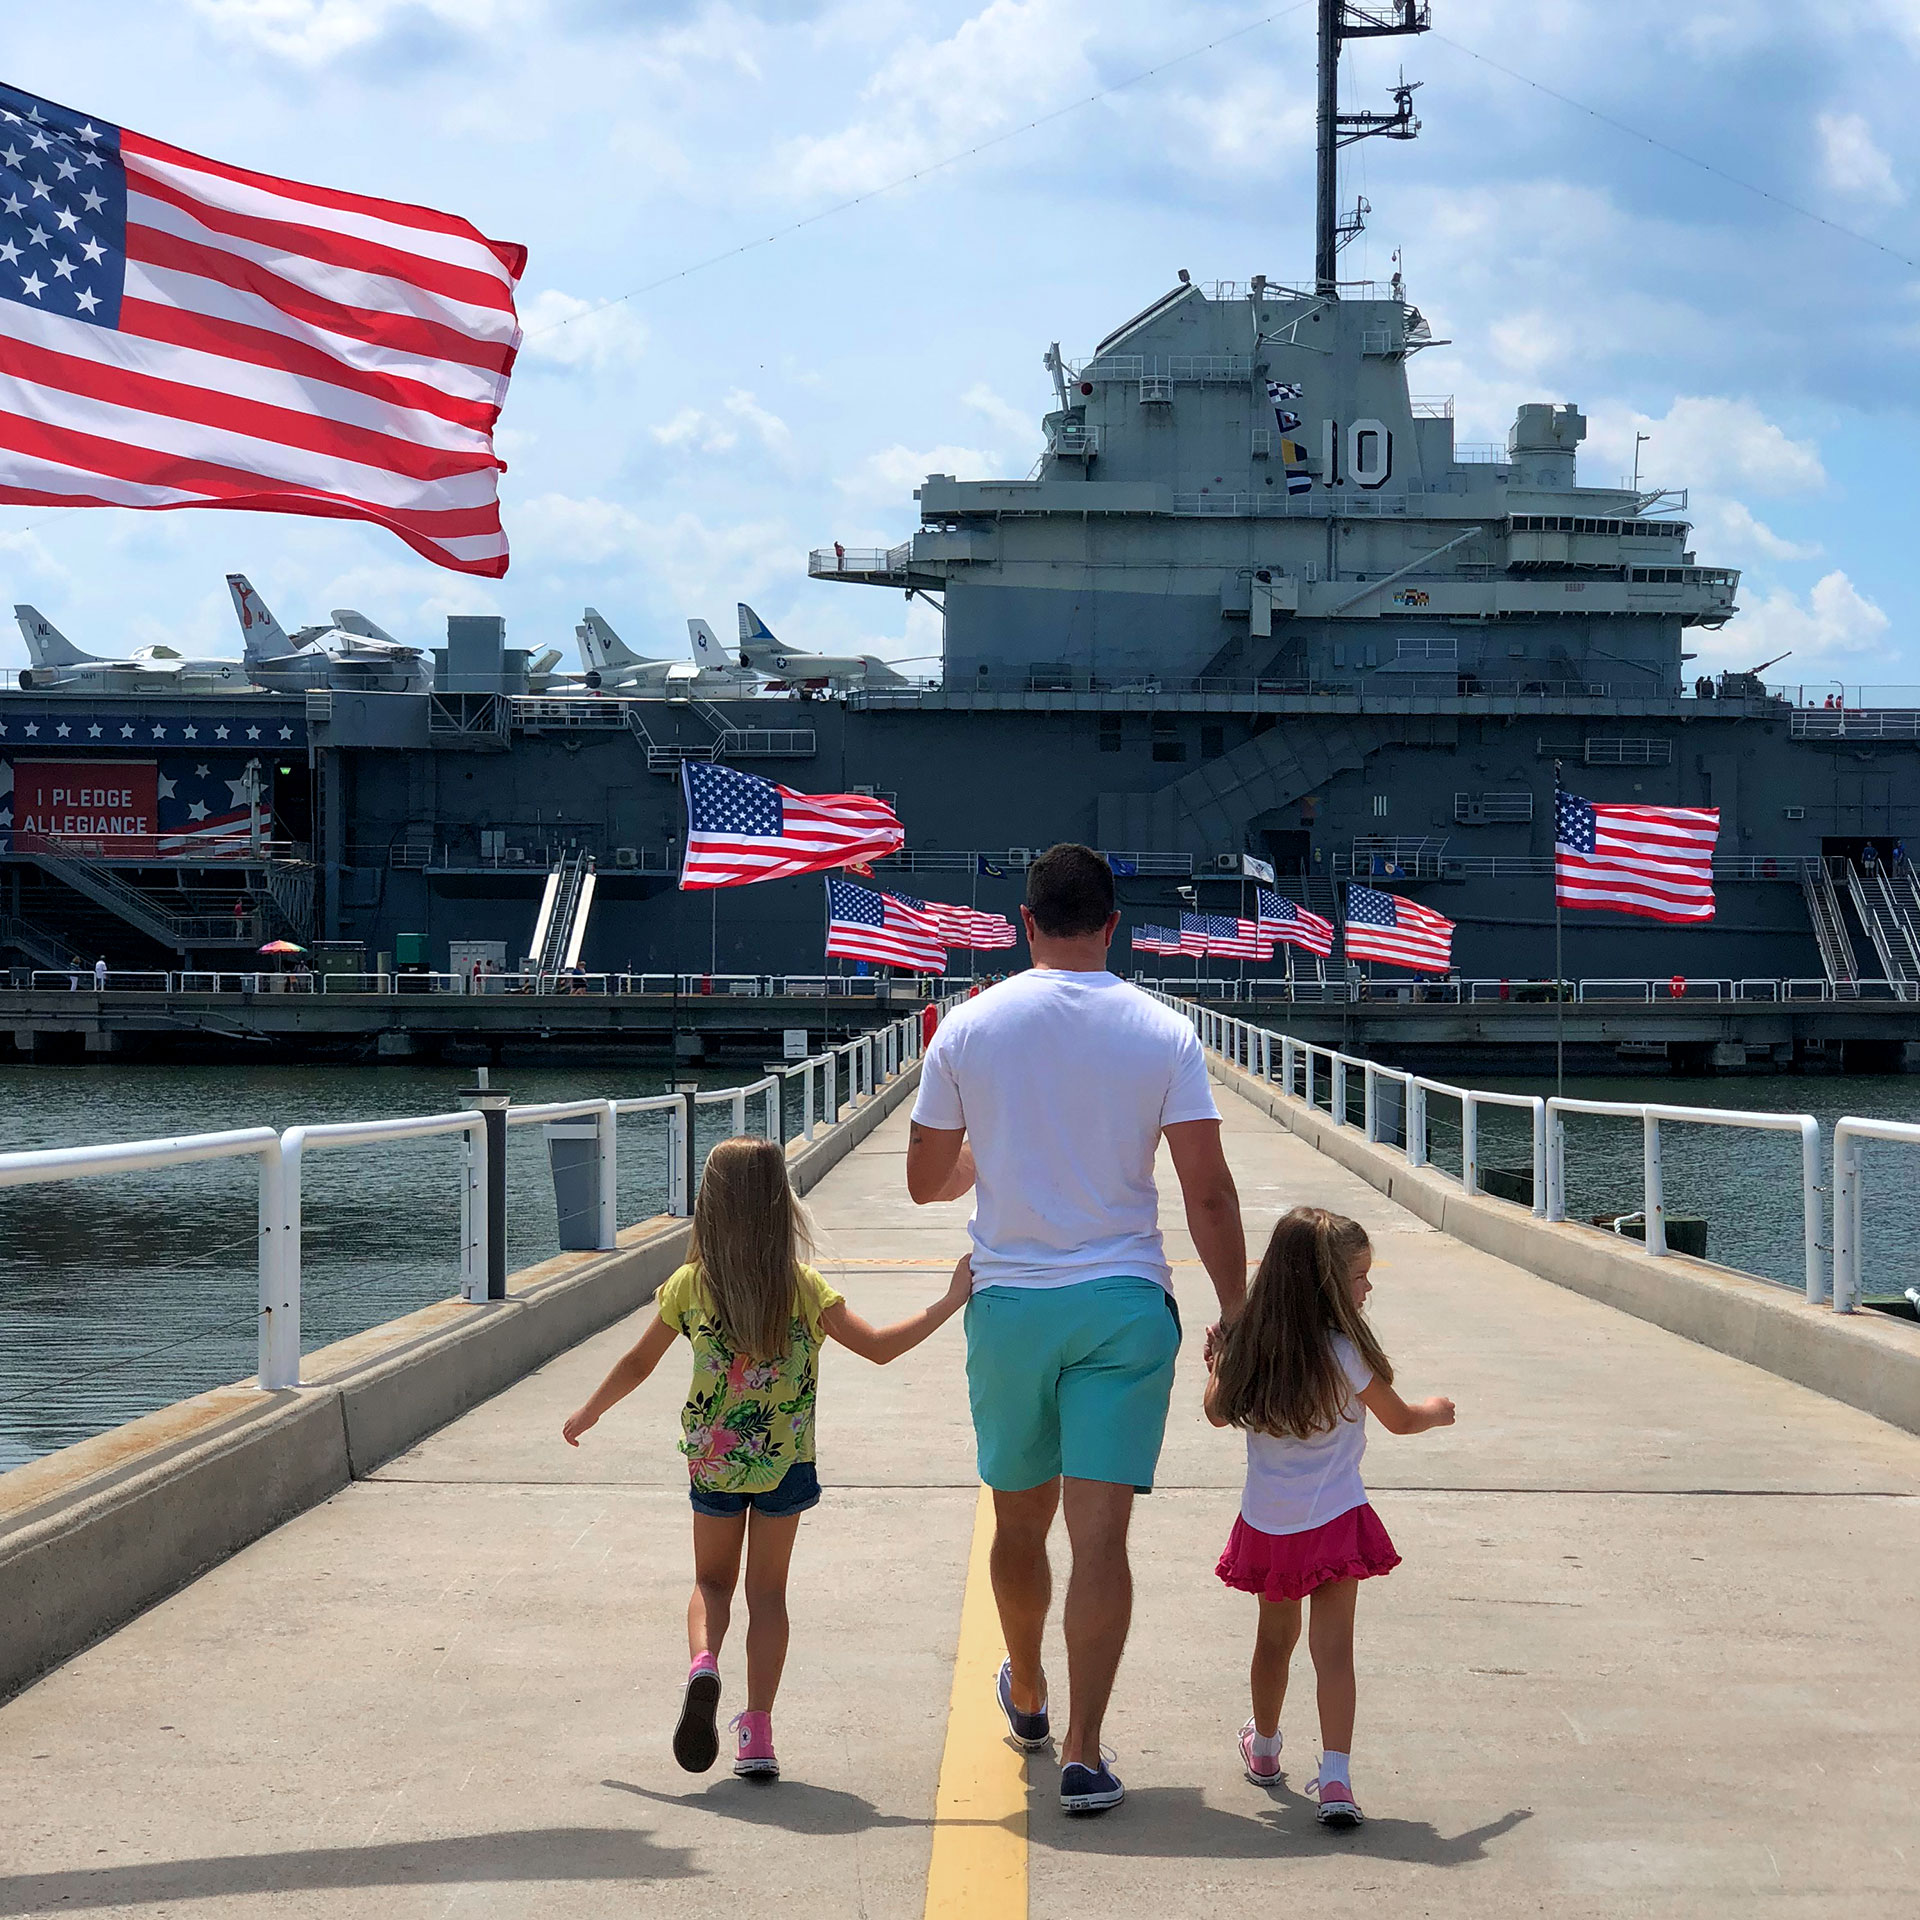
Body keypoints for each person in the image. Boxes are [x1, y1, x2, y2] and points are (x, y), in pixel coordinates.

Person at [906, 843, 1247, 1815]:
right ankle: (1088, 1755)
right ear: (1111, 926)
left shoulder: (967, 1030)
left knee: (1018, 1523)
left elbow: (925, 1183)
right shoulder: (1164, 1032)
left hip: (1011, 1308)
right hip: (1124, 1308)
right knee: (1102, 1541)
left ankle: (1028, 1690)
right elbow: (1209, 1194)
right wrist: (1236, 1310)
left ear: (1023, 922)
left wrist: (986, 1158)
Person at [562, 1135, 972, 1782]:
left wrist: (590, 1411)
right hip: (785, 1463)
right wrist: (952, 1298)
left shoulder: (689, 1287)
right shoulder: (804, 1289)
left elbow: (638, 1362)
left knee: (712, 1583)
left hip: (714, 1462)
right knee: (769, 1594)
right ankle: (756, 1733)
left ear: (709, 1206)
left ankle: (703, 1664)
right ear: (782, 1206)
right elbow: (881, 1348)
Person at [1206, 1208, 1455, 1827]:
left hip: (1269, 1525)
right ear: (1324, 1284)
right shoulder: (1345, 1354)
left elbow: (1215, 1413)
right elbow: (1399, 1419)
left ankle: (1264, 1750)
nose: (1369, 1287)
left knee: (1273, 1643)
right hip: (1337, 1520)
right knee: (1334, 1652)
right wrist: (1436, 1410)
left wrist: (1216, 1365)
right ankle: (1337, 1779)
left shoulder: (1252, 1349)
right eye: (1360, 1276)